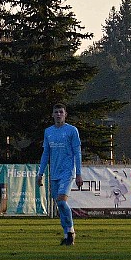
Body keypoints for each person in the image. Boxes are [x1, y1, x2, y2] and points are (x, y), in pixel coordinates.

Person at [36, 103, 83, 246]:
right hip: (54, 173)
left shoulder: (71, 131)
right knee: (60, 205)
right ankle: (66, 235)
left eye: (61, 112)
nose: (58, 114)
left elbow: (77, 153)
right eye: (56, 112)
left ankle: (71, 232)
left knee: (62, 201)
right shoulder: (48, 132)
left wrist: (79, 174)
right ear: (52, 115)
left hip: (67, 172)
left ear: (65, 114)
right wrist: (40, 173)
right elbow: (46, 153)